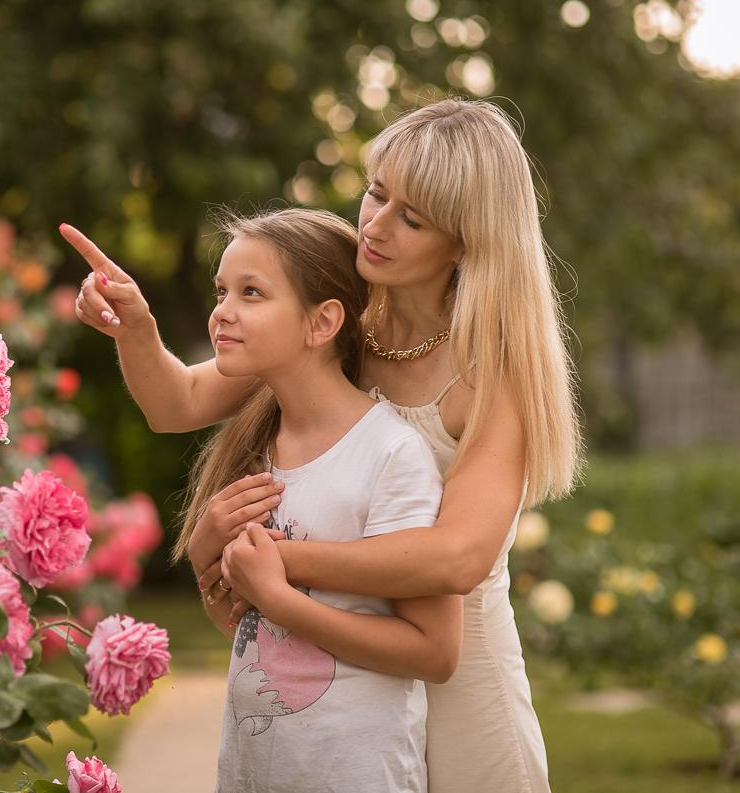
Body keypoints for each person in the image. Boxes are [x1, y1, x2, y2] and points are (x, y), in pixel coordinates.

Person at [60, 97, 582, 793]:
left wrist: (267, 563)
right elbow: (178, 401)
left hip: (463, 686)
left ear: (465, 240)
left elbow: (458, 556)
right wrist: (136, 328)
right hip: (348, 682)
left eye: (412, 216)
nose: (375, 223)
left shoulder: (492, 371)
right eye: (376, 192)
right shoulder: (341, 326)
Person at [178, 207, 460, 792]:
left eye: (251, 293)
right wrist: (210, 559)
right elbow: (244, 630)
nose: (222, 312)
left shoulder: (391, 454)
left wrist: (280, 599)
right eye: (222, 291)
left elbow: (434, 653)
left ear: (322, 322)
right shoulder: (259, 448)